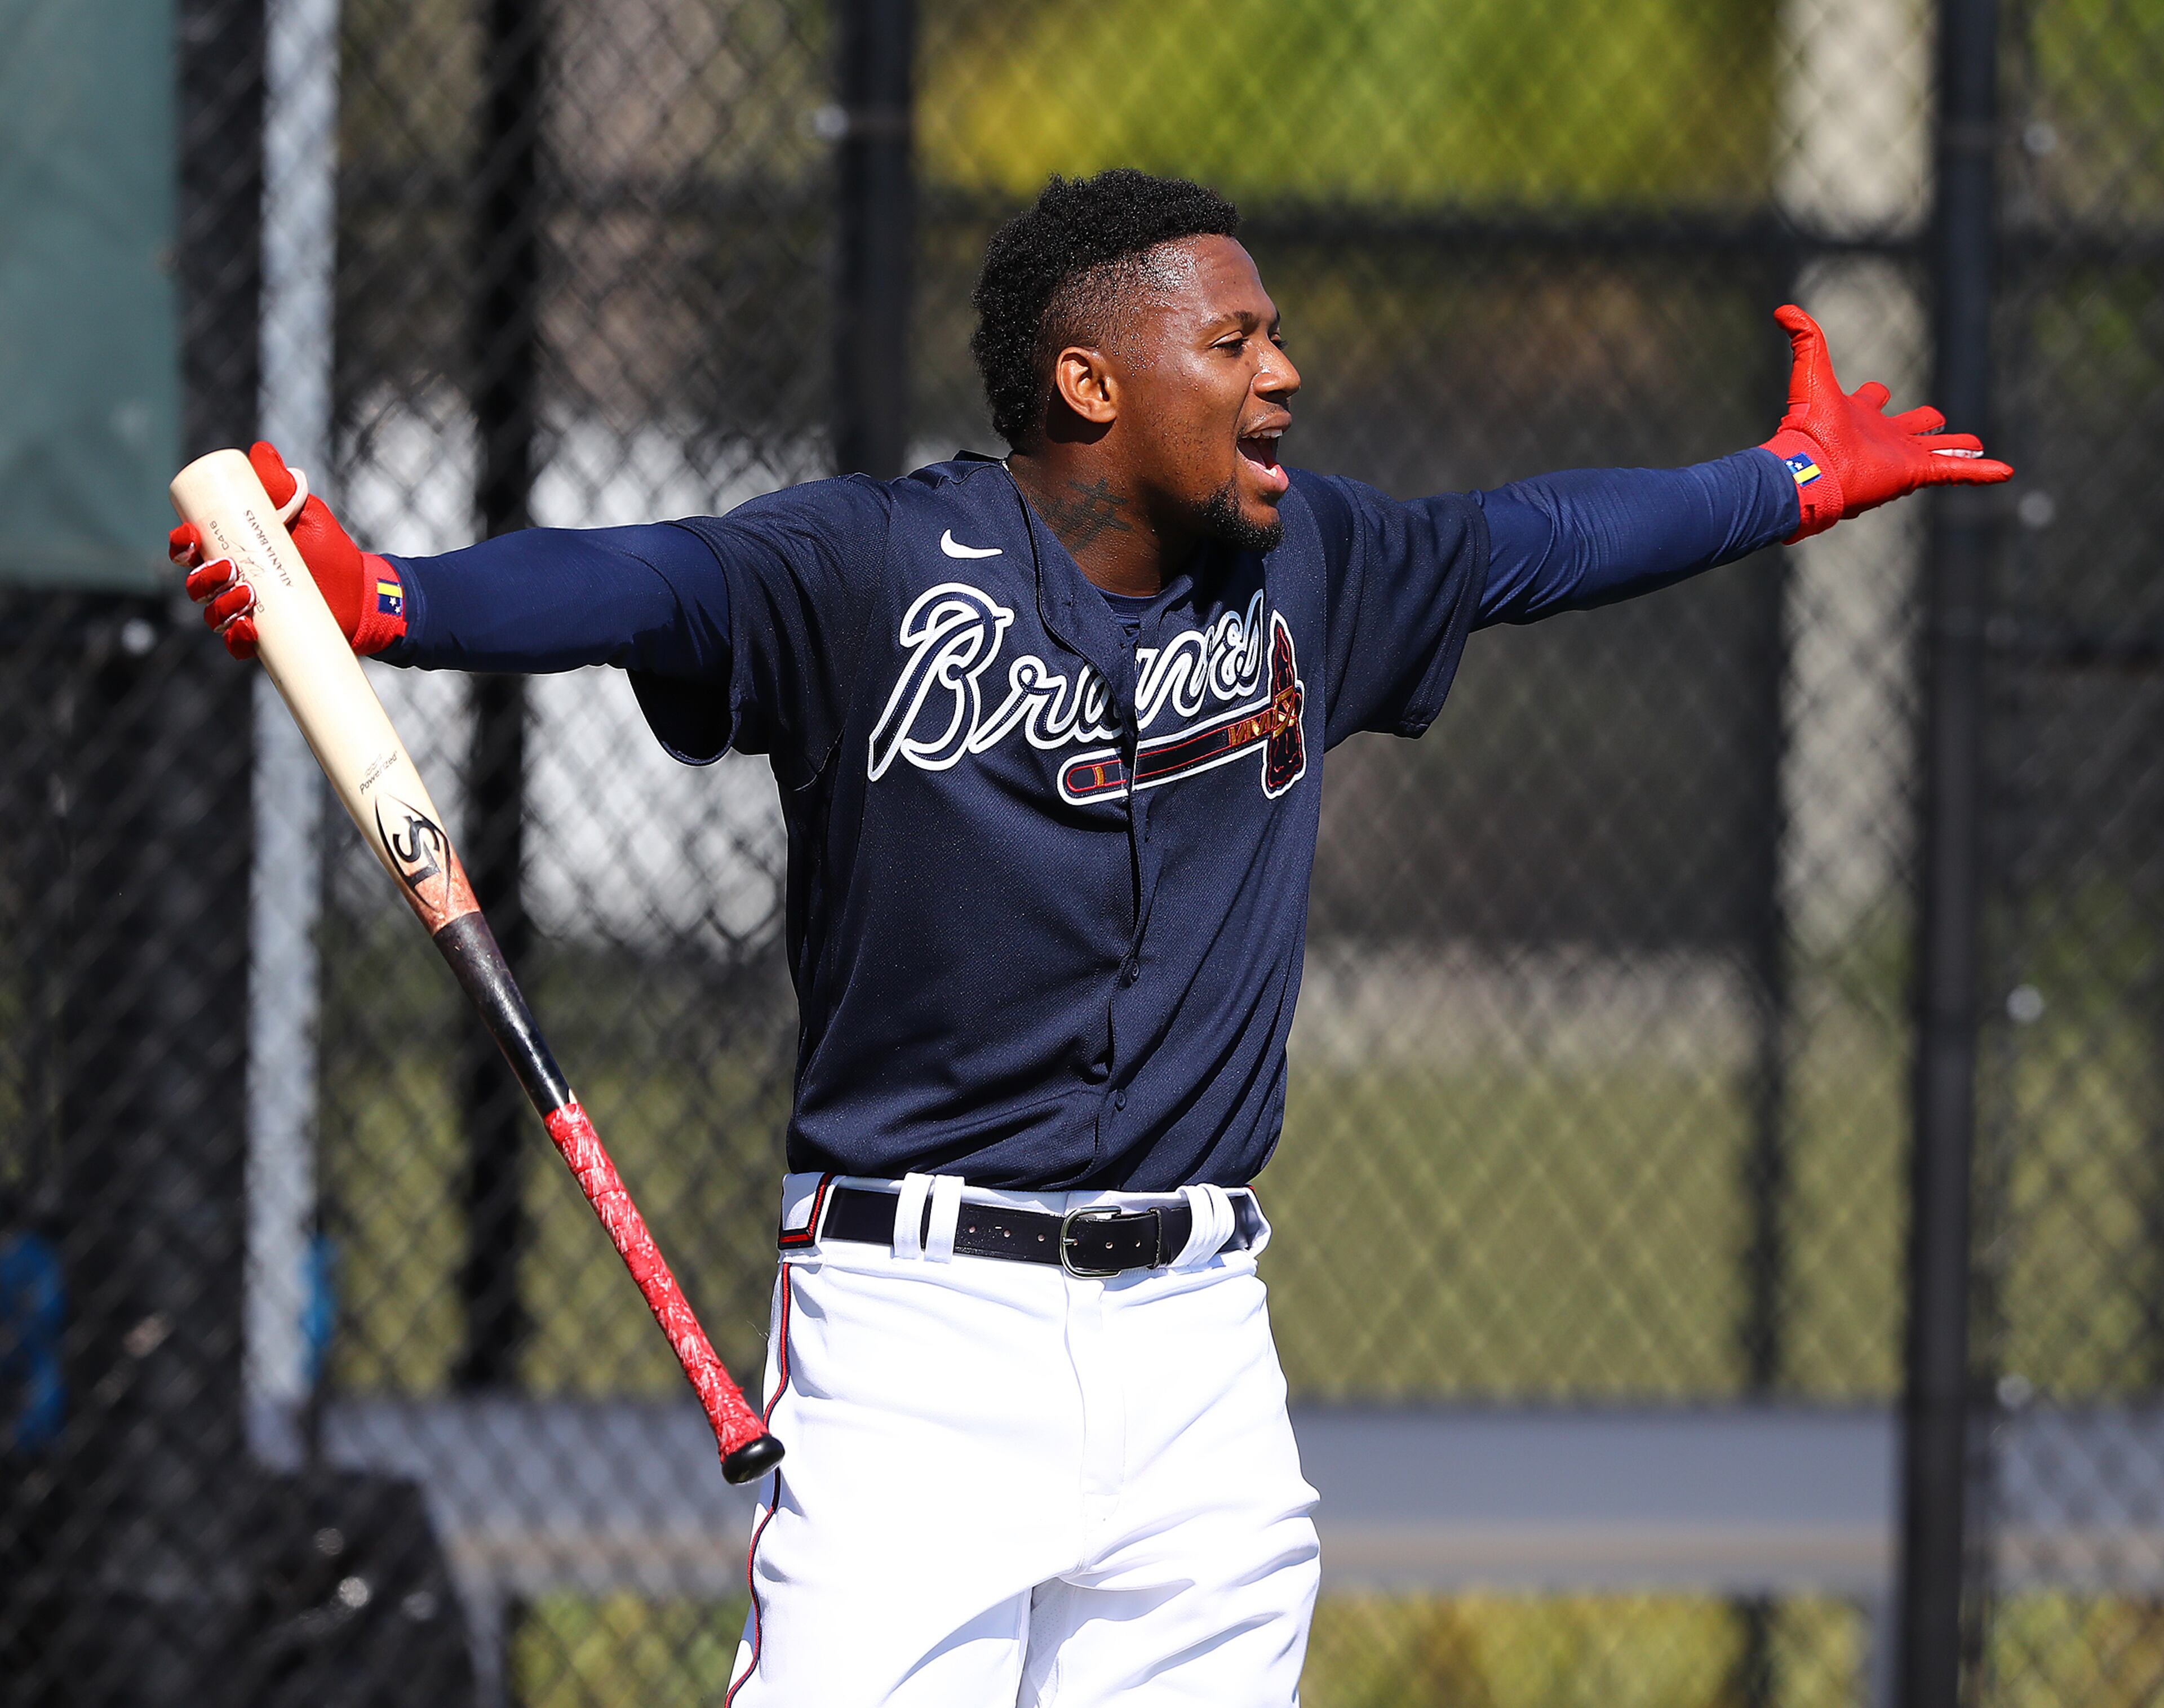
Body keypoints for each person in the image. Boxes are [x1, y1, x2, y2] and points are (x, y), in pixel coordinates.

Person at [175, 169, 2008, 1705]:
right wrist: (389, 602)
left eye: (1274, 333)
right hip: (918, 1343)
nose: (1283, 373)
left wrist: (1785, 485)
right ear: (1091, 380)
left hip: (1200, 1352)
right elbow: (650, 578)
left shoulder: (1318, 567)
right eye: (1233, 341)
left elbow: (1532, 536)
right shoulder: (874, 567)